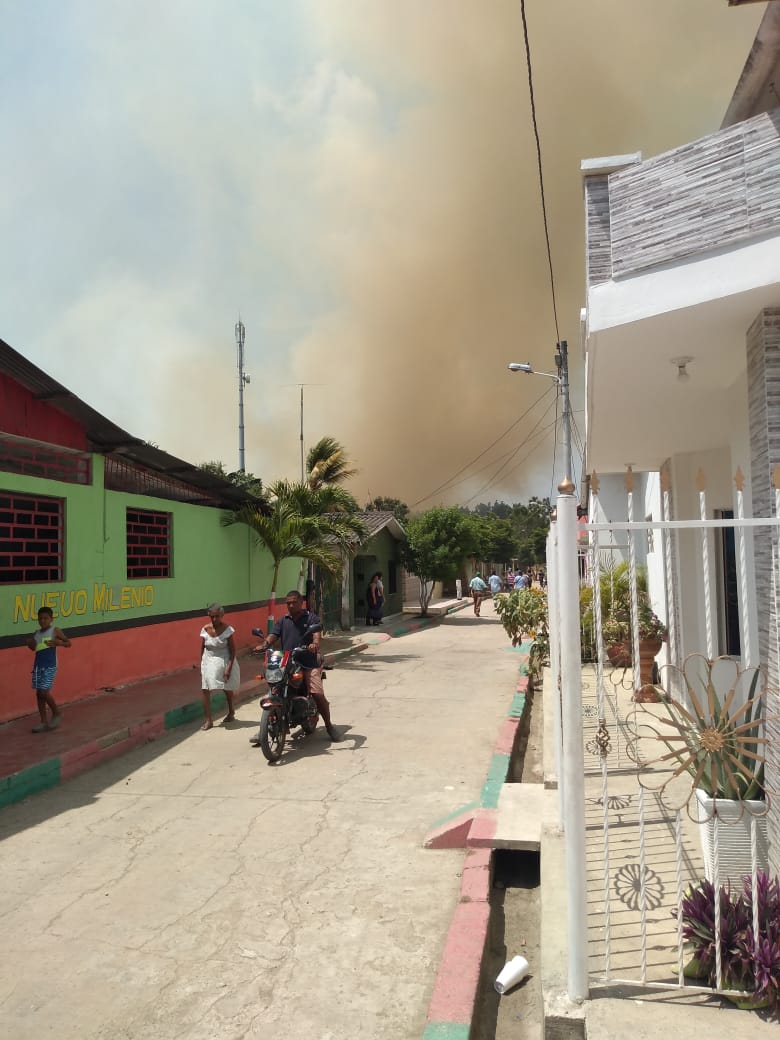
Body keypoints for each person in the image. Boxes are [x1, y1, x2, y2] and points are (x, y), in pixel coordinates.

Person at [254, 590, 343, 742]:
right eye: (288, 602)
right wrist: (264, 644)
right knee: (275, 688)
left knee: (316, 692)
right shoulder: (283, 620)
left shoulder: (310, 618)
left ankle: (329, 726)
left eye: (294, 602)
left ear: (301, 602)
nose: (291, 605)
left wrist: (314, 644)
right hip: (288, 661)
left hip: (308, 662)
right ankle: (265, 729)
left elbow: (316, 633)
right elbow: (273, 635)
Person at [27, 607, 71, 733]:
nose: (43, 621)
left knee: (44, 692)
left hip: (50, 665)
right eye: (40, 618)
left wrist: (58, 643)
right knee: (38, 694)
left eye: (45, 618)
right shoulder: (37, 633)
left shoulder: (55, 630)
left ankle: (57, 712)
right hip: (38, 666)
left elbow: (68, 643)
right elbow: (34, 648)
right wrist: (30, 644)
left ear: (51, 619)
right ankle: (43, 721)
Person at [200, 603, 240, 730]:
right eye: (212, 617)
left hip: (223, 660)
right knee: (205, 689)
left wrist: (228, 669)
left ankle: (231, 711)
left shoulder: (228, 630)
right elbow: (203, 648)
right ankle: (209, 720)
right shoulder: (205, 629)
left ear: (222, 615)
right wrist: (202, 664)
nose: (214, 619)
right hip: (208, 661)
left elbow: (233, 651)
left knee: (226, 687)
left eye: (217, 616)